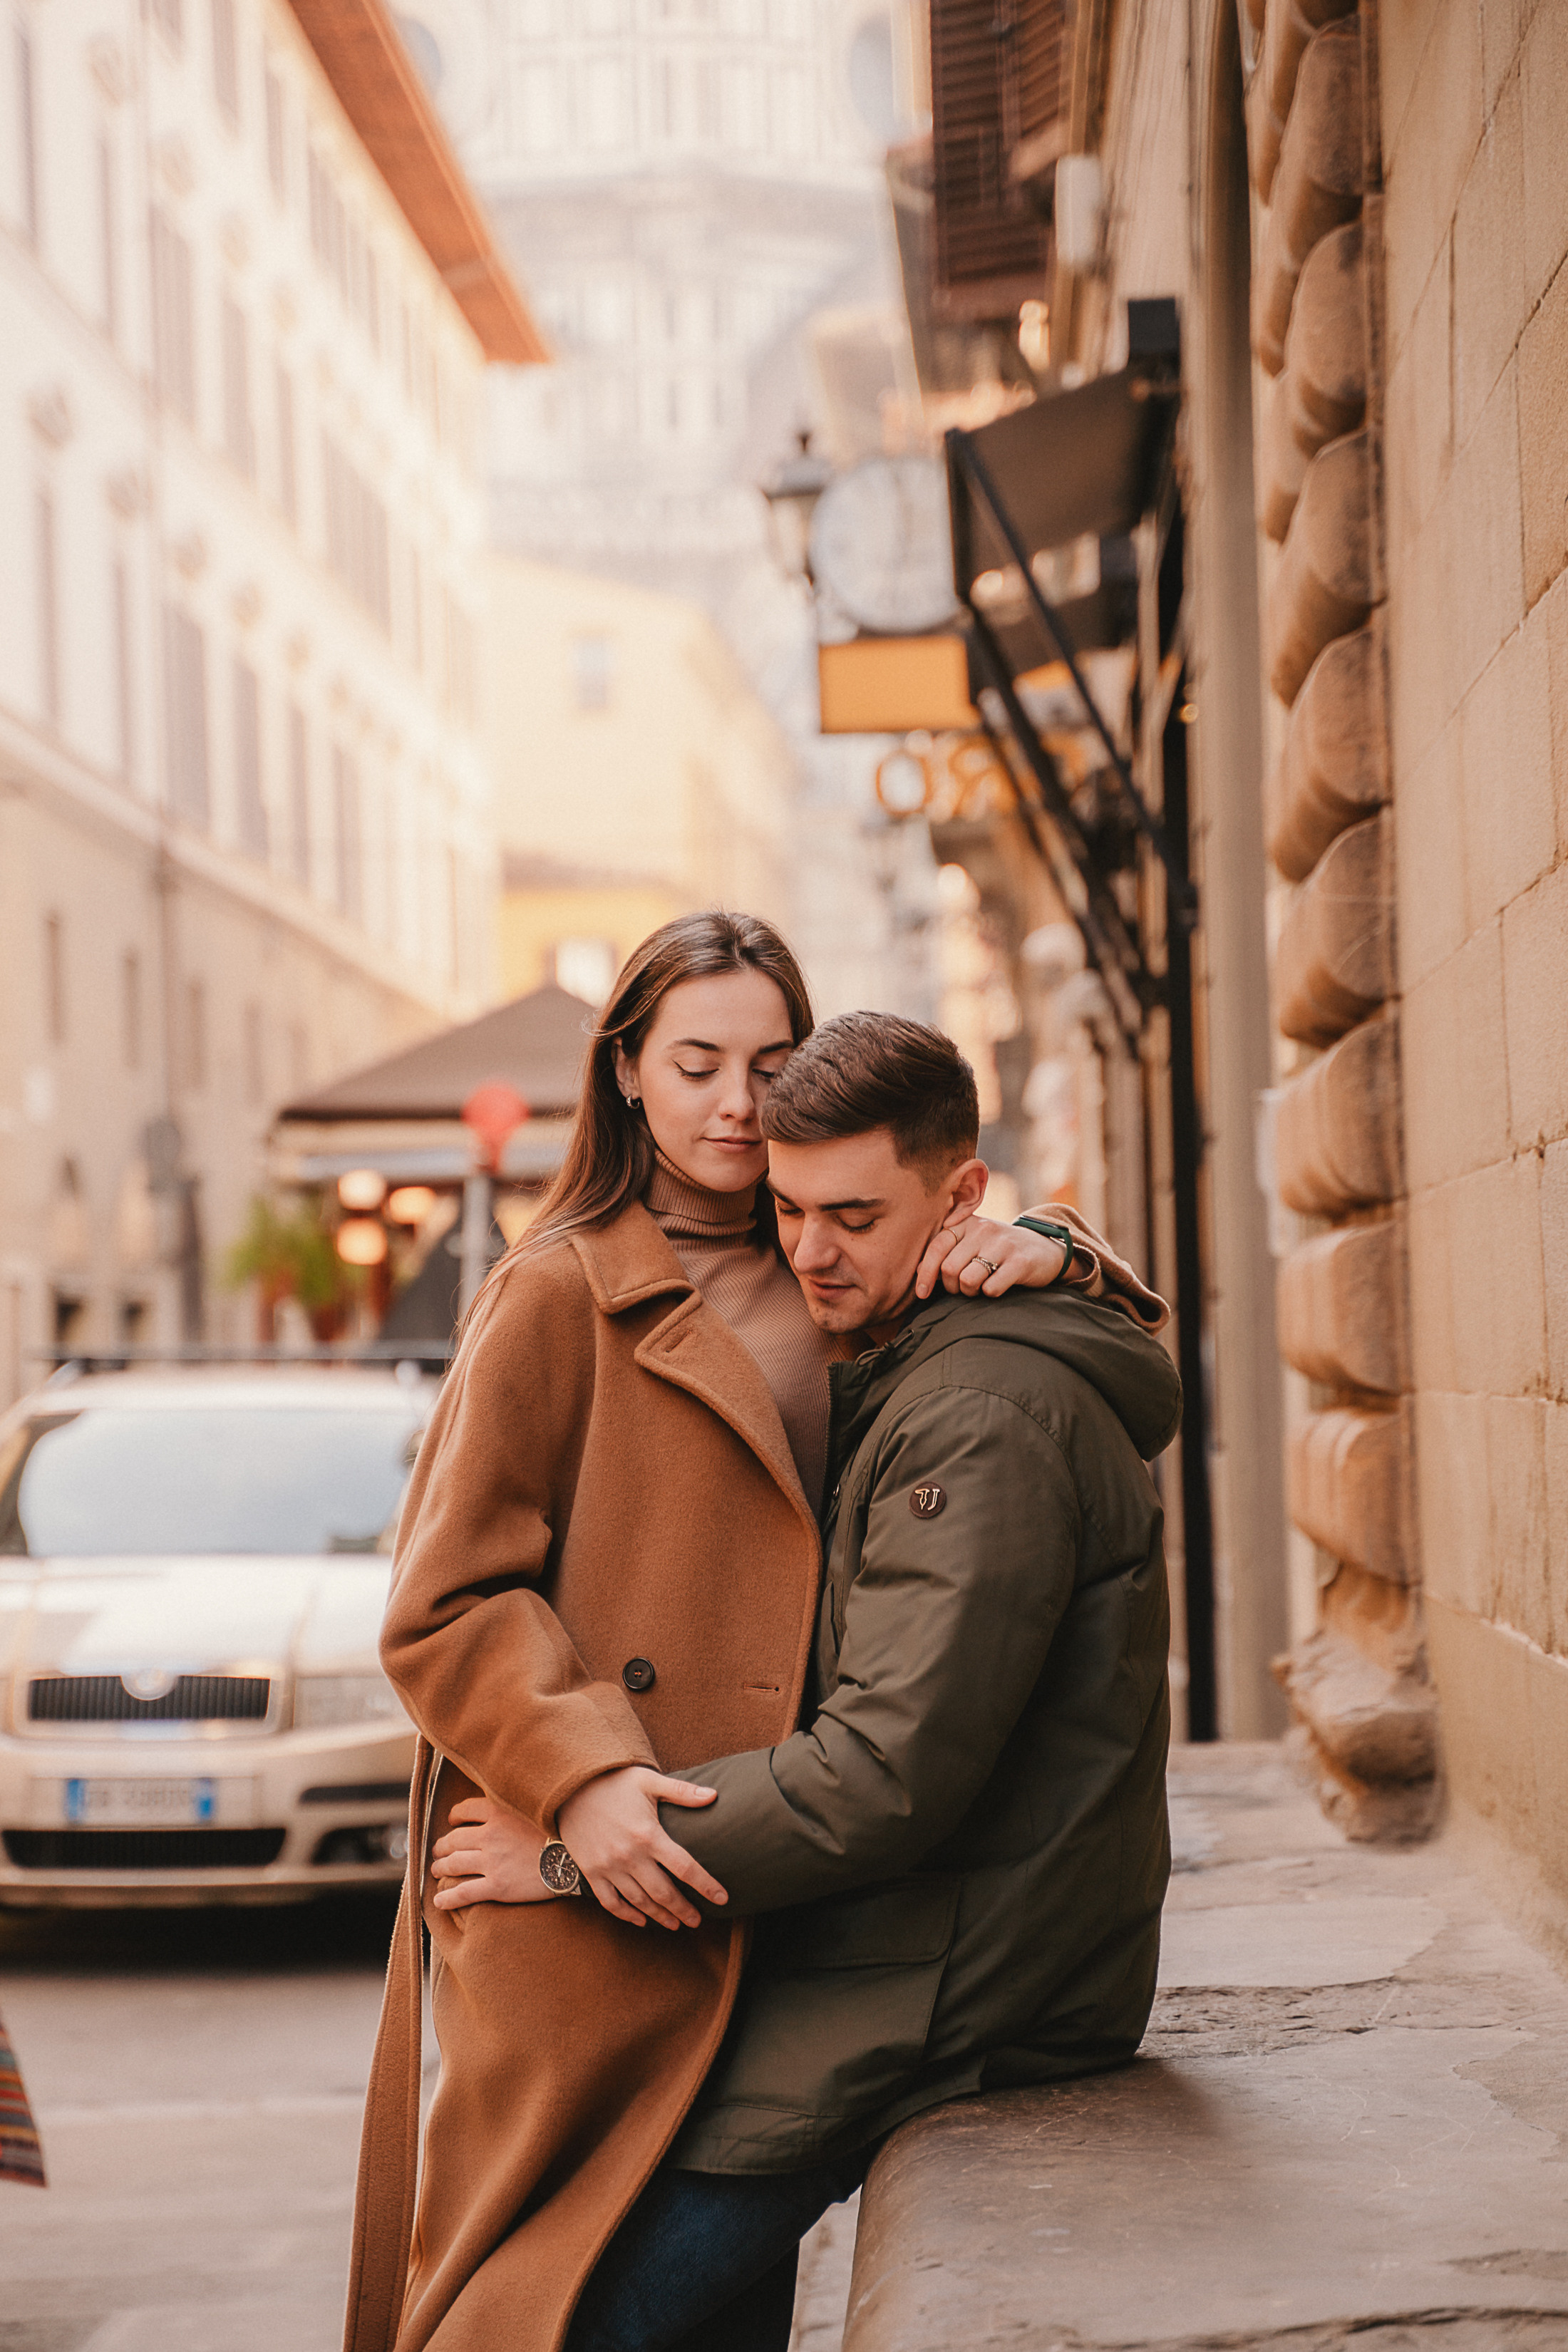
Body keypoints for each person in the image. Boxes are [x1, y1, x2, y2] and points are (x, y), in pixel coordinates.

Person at [344, 913, 1125, 2352]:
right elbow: (442, 1600)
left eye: (768, 1062)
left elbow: (1039, 1374)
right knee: (534, 2299)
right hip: (592, 1890)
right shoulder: (555, 1288)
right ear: (625, 1072)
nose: (733, 1102)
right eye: (693, 1061)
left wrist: (1047, 1247)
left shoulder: (839, 1252)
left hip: (779, 1870)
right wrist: (579, 1786)